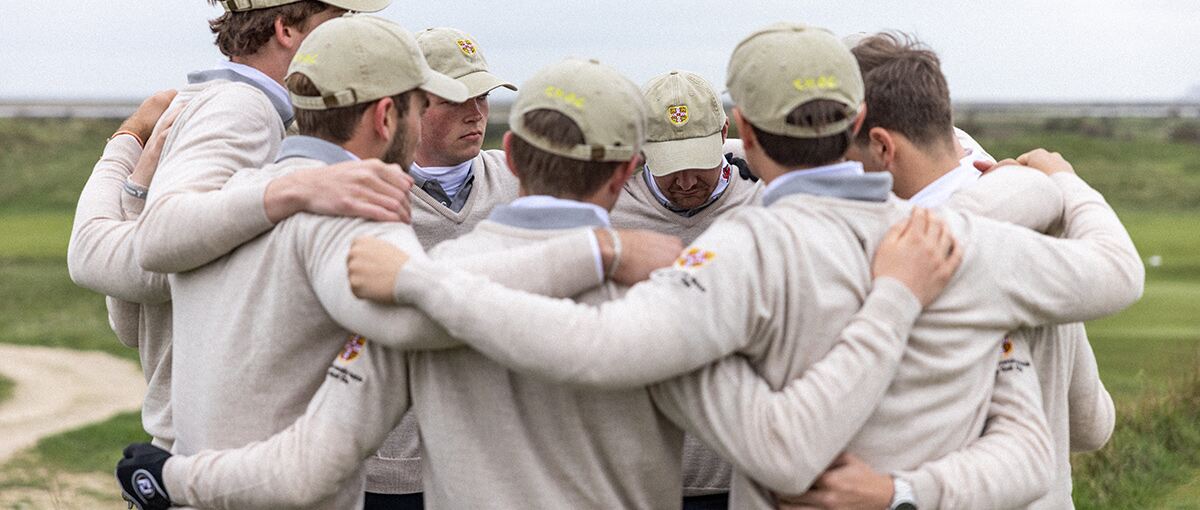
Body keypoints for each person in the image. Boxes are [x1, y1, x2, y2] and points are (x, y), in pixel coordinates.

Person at [347, 22, 1142, 509]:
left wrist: (426, 279)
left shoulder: (730, 253)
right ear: (860, 124)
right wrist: (1065, 186)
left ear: (744, 138)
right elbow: (1116, 274)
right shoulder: (967, 240)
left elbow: (592, 347)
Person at [116, 57, 960, 510]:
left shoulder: (419, 287)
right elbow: (777, 445)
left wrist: (179, 476)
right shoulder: (668, 299)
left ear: (510, 161)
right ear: (630, 170)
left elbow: (305, 472)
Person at [112, 15, 671, 510]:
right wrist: (595, 251)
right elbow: (417, 317)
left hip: (204, 485)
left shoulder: (225, 202)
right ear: (386, 116)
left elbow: (126, 321)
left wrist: (175, 478)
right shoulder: (357, 210)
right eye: (419, 103)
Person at [787, 32, 1116, 509]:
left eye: (840, 146)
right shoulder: (1036, 230)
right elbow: (1092, 425)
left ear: (879, 145)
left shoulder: (882, 254)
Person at [65, 0, 400, 451]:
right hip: (217, 449)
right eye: (337, 20)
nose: (352, 34)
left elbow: (135, 315)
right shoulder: (243, 108)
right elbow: (136, 256)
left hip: (200, 442)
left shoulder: (222, 103)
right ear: (285, 29)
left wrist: (135, 185)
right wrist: (126, 142)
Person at [362, 27, 521, 507]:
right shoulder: (355, 193)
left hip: (495, 466)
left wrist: (731, 158)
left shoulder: (521, 181)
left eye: (483, 96)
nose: (476, 113)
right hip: (388, 474)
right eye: (455, 98)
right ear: (407, 103)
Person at [611, 70, 762, 247]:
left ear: (724, 132)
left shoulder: (764, 195)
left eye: (700, 163)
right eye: (669, 166)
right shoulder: (610, 211)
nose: (686, 184)